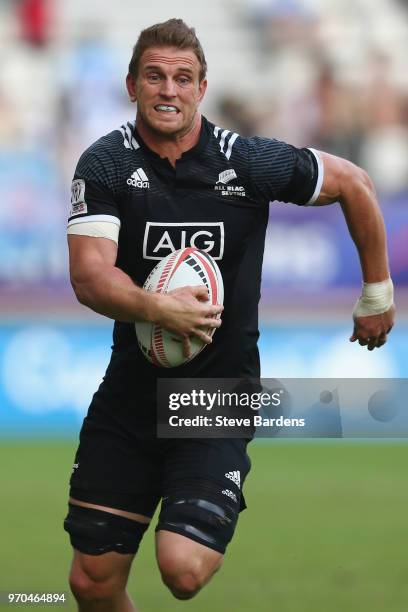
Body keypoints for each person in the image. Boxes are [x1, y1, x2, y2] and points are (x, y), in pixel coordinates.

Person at [64, 18, 395, 611]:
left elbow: (354, 182)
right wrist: (158, 306)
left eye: (182, 79)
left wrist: (377, 291)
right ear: (131, 85)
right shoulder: (106, 163)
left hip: (217, 396)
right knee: (91, 582)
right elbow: (90, 276)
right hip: (131, 397)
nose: (169, 90)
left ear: (202, 88)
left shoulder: (246, 162)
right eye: (155, 77)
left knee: (182, 570)